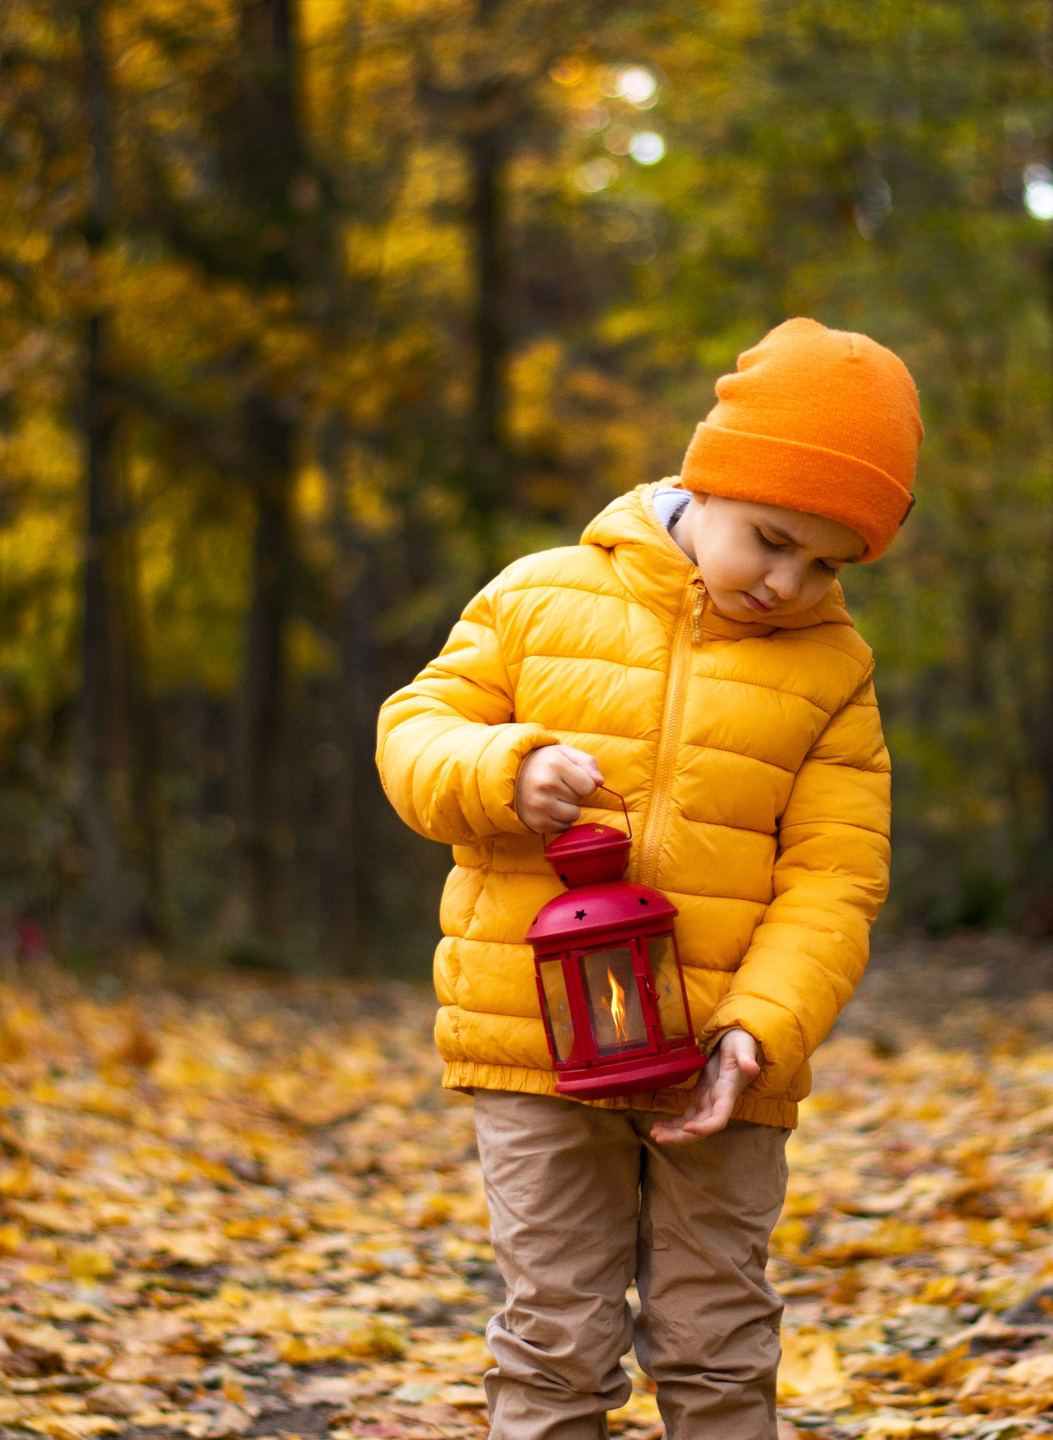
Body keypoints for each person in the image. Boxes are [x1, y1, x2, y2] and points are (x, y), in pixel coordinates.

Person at [376, 317, 916, 1440]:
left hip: (719, 1059)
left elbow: (835, 878)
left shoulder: (833, 671)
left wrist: (759, 1032)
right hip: (536, 1045)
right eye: (772, 538)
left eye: (827, 562)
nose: (789, 581)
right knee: (555, 1338)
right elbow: (412, 732)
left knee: (720, 1341)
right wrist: (500, 769)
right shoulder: (538, 597)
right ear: (708, 481)